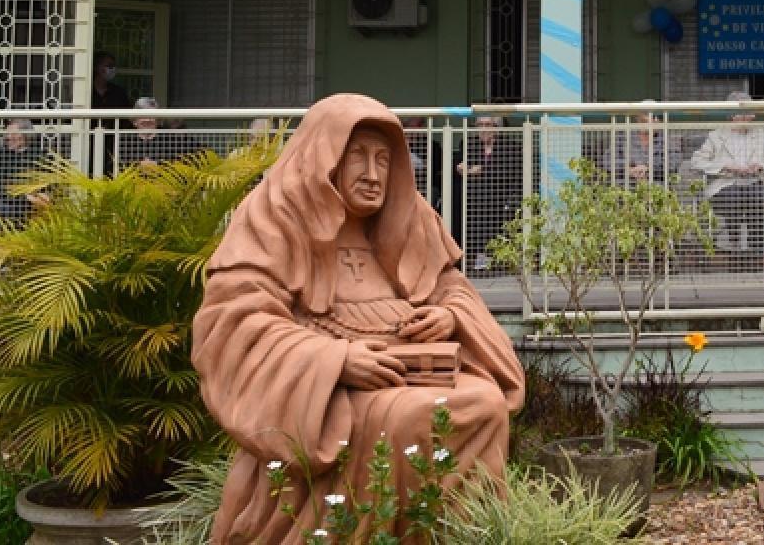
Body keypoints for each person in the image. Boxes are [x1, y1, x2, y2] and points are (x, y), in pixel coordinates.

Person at [193, 94, 524, 543]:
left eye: (384, 160)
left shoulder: (410, 218)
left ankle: (454, 535)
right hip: (331, 391)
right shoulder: (274, 218)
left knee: (484, 403)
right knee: (411, 416)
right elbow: (235, 320)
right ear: (325, 157)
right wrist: (334, 361)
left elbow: (451, 287)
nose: (373, 175)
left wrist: (449, 317)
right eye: (358, 157)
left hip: (414, 370)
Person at [689, 92, 764, 261]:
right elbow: (696, 161)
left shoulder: (763, 133)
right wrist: (725, 167)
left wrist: (762, 165)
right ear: (732, 114)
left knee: (761, 196)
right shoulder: (716, 136)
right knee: (735, 196)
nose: (750, 117)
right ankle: (732, 243)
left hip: (756, 182)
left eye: (751, 113)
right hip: (726, 185)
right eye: (745, 113)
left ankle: (758, 248)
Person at [453, 116, 520, 271]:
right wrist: (460, 168)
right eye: (480, 125)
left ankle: (490, 255)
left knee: (488, 199)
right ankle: (470, 254)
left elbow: (509, 172)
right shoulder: (468, 143)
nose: (483, 129)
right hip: (474, 192)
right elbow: (458, 164)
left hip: (500, 192)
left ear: (496, 127)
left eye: (487, 124)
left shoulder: (510, 146)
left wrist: (481, 170)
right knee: (460, 198)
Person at [120, 97, 201, 169]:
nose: (147, 120)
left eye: (152, 116)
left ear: (157, 120)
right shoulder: (125, 141)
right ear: (134, 121)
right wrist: (138, 166)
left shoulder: (171, 140)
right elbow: (117, 166)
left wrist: (157, 165)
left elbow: (183, 164)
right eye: (143, 116)